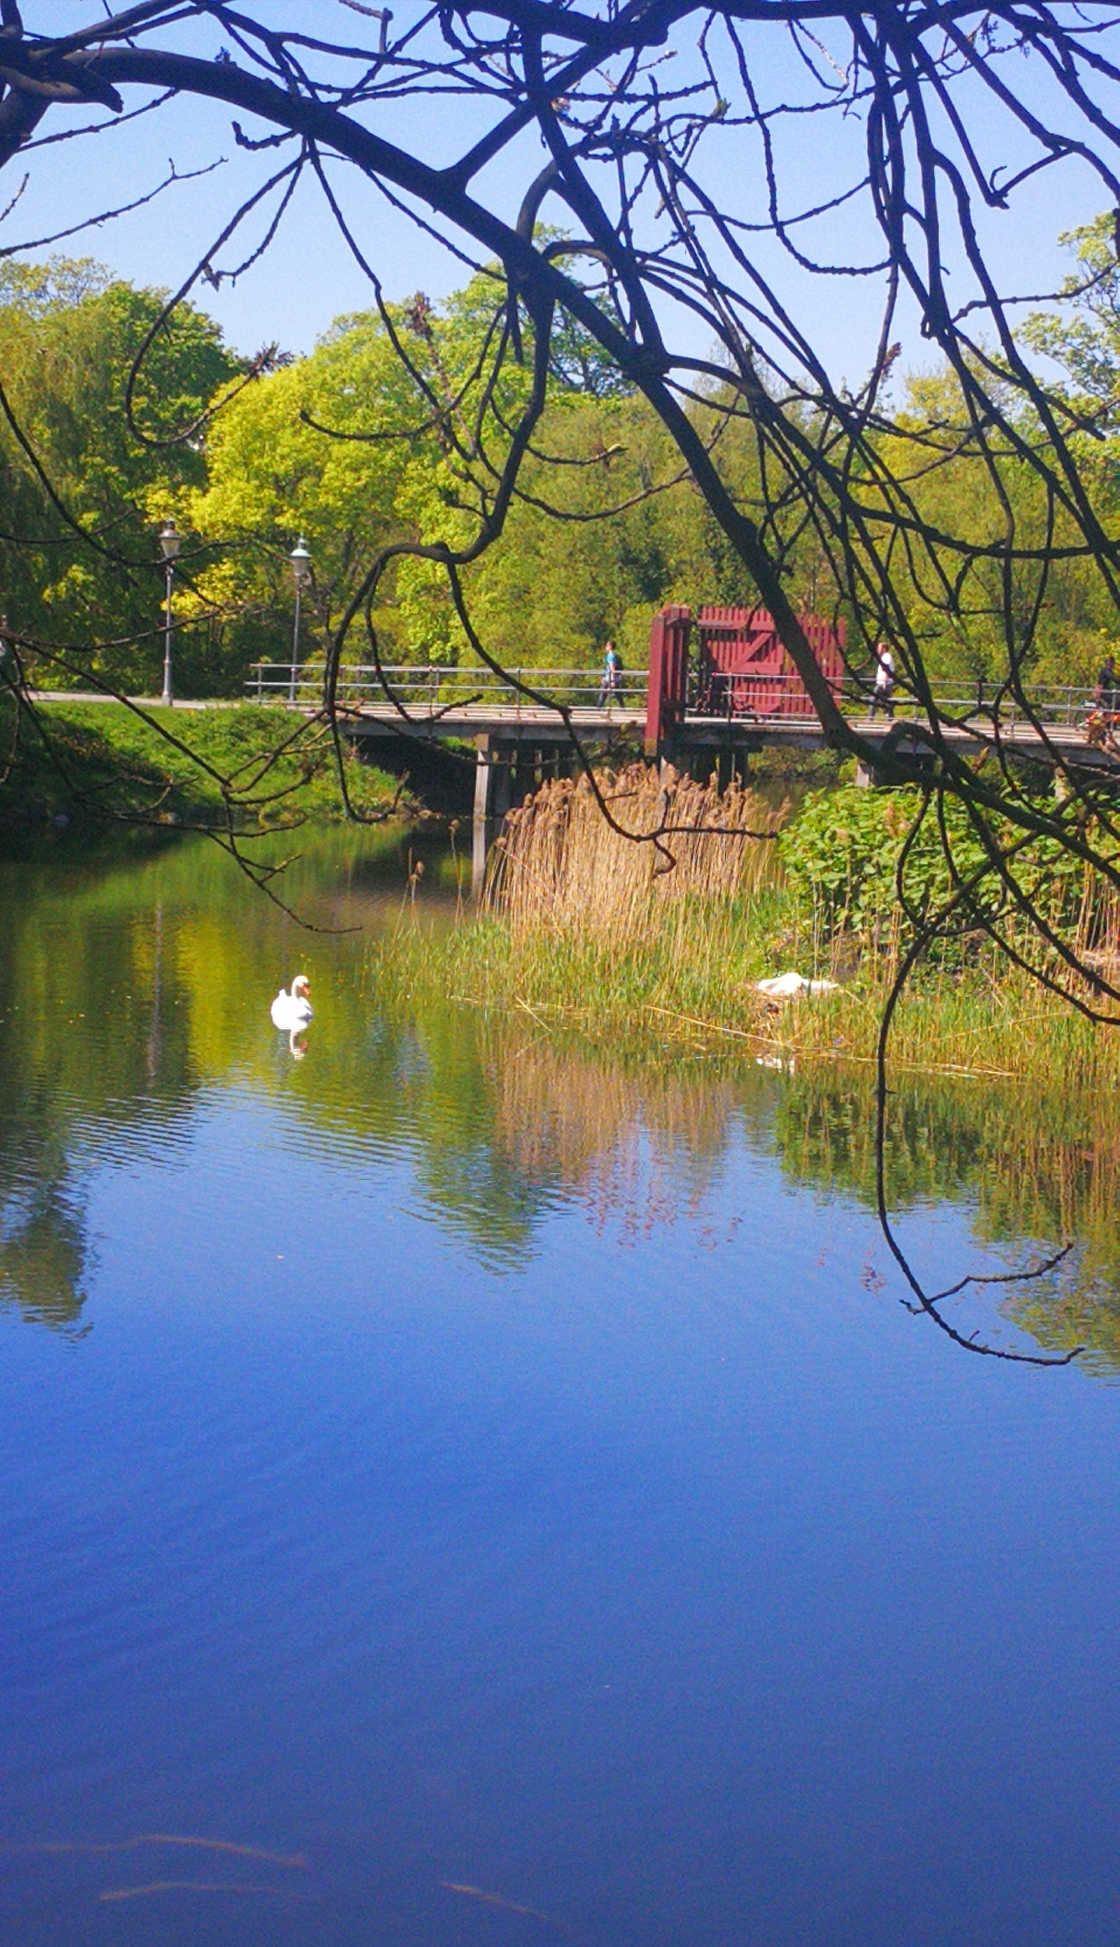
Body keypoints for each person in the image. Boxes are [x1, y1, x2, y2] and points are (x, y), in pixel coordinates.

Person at [869, 641, 895, 718]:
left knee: (873, 699)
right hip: (885, 683)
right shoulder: (885, 657)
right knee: (886, 701)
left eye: (879, 648)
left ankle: (870, 717)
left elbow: (886, 670)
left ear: (883, 648)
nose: (878, 649)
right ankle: (890, 716)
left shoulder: (886, 657)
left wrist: (884, 682)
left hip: (883, 683)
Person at [597, 639, 623, 709]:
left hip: (610, 679)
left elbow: (612, 668)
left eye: (607, 645)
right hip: (613, 678)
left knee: (603, 694)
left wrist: (612, 680)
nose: (606, 647)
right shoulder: (615, 655)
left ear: (610, 646)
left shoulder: (610, 656)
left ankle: (598, 708)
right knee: (618, 695)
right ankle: (622, 708)